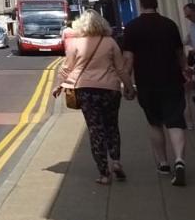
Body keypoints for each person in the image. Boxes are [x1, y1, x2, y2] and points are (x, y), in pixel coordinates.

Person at [52, 11, 134, 184]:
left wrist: (59, 85)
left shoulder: (75, 43)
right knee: (112, 125)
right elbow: (120, 68)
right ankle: (116, 161)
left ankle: (104, 173)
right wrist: (128, 86)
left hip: (86, 90)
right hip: (110, 90)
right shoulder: (110, 42)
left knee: (95, 129)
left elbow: (66, 68)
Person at [121, 0, 190, 186]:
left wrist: (127, 84)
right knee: (175, 121)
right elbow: (179, 53)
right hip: (171, 79)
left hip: (146, 82)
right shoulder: (169, 25)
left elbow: (128, 59)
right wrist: (185, 69)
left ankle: (162, 163)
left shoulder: (133, 27)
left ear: (141, 4)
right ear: (157, 3)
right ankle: (179, 159)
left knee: (155, 123)